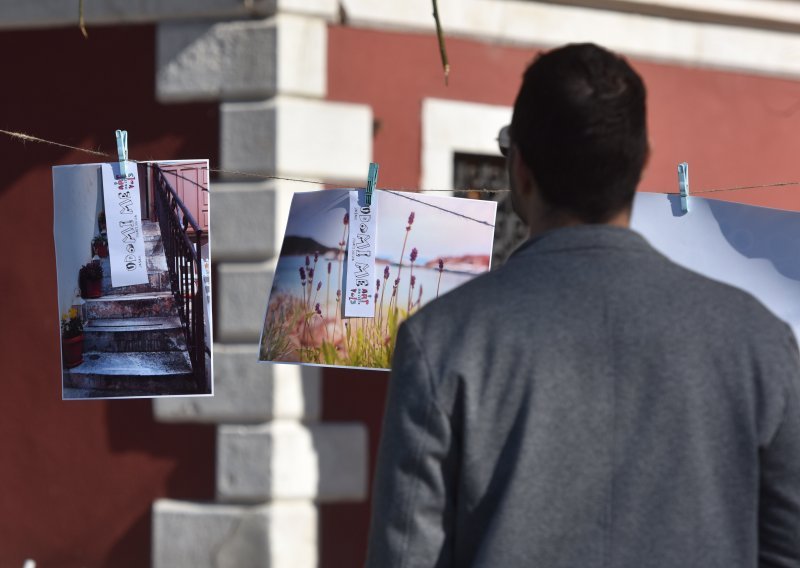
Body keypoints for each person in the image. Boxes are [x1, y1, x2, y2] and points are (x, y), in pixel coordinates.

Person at [365, 43, 800, 568]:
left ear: (519, 169)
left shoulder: (441, 341)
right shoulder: (758, 340)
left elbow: (406, 555)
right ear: (641, 163)